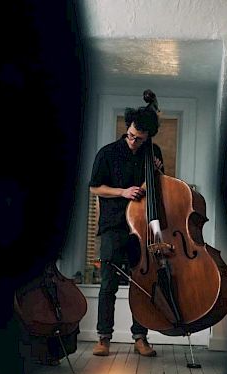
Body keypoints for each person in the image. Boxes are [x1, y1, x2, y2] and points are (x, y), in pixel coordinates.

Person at [89, 102, 164, 357]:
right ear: (128, 129)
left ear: (147, 137)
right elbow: (94, 188)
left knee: (141, 283)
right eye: (131, 135)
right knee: (108, 283)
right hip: (113, 226)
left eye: (139, 139)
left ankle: (140, 336)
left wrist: (153, 174)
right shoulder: (107, 153)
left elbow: (154, 189)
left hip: (141, 227)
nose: (133, 141)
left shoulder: (153, 152)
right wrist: (122, 191)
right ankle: (104, 338)